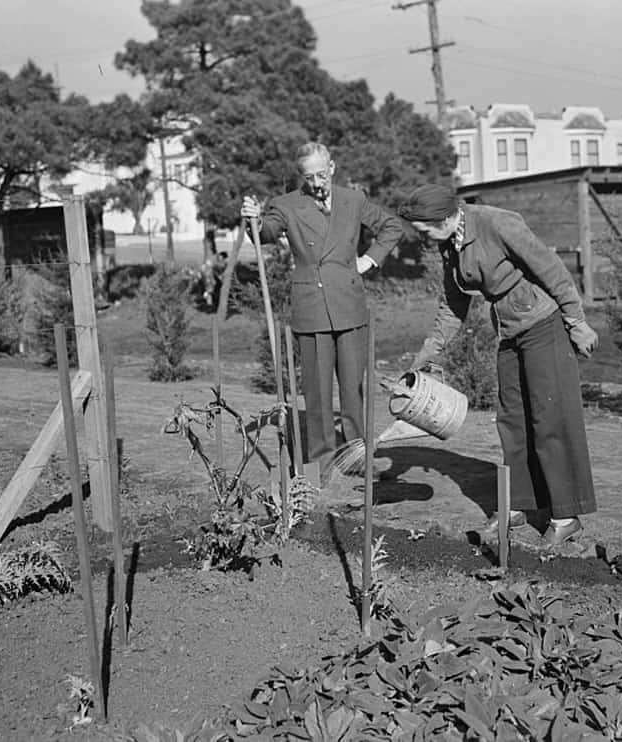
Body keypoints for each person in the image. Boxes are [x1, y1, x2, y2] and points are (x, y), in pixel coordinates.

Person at [398, 184, 599, 546]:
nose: (422, 234)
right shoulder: (450, 245)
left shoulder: (496, 223)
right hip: (509, 330)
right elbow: (452, 306)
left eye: (424, 227)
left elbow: (551, 268)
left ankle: (565, 514)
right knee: (512, 421)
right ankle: (516, 506)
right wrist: (427, 355)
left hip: (545, 324)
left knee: (549, 419)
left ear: (444, 217)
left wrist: (576, 320)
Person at [240, 142, 404, 474]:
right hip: (312, 309)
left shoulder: (353, 200)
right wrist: (254, 221)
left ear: (332, 167)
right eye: (309, 176)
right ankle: (320, 462)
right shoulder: (286, 204)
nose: (317, 182)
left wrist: (368, 260)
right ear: (301, 176)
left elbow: (392, 227)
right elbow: (266, 232)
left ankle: (357, 456)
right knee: (316, 392)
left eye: (321, 173)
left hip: (349, 304)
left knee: (353, 389)